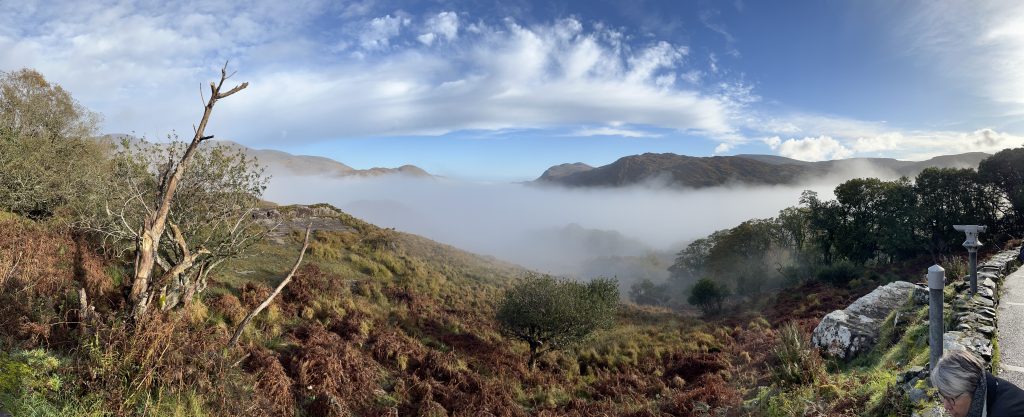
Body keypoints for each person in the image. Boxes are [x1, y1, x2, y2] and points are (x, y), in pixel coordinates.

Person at [931, 349, 1024, 416]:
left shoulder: (1007, 412)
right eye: (943, 396)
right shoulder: (991, 387)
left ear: (972, 389)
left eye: (951, 399)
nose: (946, 406)